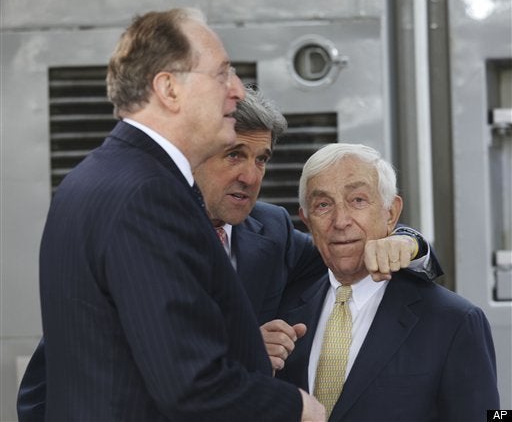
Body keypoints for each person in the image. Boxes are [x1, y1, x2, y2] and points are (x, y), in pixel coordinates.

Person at [18, 87, 442, 420]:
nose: (250, 176)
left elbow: (344, 252)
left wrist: (407, 242)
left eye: (261, 159)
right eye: (235, 155)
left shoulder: (271, 231)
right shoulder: (130, 235)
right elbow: (43, 391)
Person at [31, 8, 325, 422]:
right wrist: (298, 408)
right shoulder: (150, 196)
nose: (236, 90)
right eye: (222, 74)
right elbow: (190, 383)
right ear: (169, 89)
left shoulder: (92, 178)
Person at [276, 143, 500, 421]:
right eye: (323, 205)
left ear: (391, 213)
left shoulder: (454, 321)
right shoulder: (283, 313)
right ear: (307, 220)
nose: (341, 221)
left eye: (358, 200)